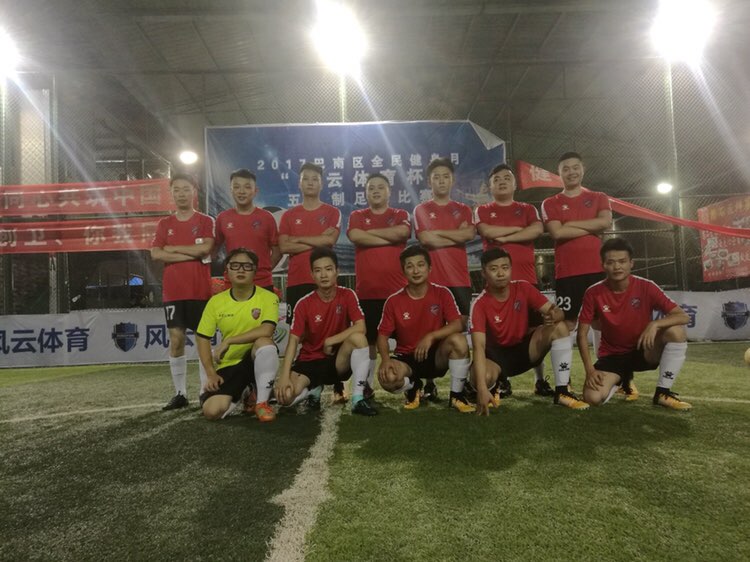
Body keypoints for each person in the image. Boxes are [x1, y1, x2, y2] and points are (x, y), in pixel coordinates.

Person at [470, 248, 590, 415]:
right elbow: (478, 347)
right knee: (481, 379)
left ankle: (562, 392)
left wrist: (554, 315)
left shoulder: (523, 288)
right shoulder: (479, 304)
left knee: (560, 327)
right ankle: (493, 385)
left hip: (524, 352)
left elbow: (557, 311)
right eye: (494, 269)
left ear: (511, 269)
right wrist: (482, 389)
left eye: (505, 267)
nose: (501, 273)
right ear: (484, 273)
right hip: (495, 357)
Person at [578, 237, 692, 410]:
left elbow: (683, 316)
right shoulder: (593, 293)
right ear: (603, 265)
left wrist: (654, 325)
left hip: (644, 350)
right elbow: (581, 334)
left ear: (631, 263)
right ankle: (622, 379)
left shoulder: (646, 286)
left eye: (622, 261)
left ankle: (663, 392)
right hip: (613, 357)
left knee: (676, 332)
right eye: (611, 262)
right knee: (592, 398)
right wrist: (589, 370)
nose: (617, 267)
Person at [474, 163, 552, 398]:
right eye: (496, 179)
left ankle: (540, 380)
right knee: (496, 335)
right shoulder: (482, 210)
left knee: (536, 331)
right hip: (496, 288)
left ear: (515, 184)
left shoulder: (527, 209)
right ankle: (501, 380)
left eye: (507, 178)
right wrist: (519, 230)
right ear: (490, 186)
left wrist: (505, 236)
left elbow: (536, 231)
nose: (502, 181)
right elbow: (488, 232)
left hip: (527, 283)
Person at [274, 247, 376, 416]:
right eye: (318, 270)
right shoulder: (303, 303)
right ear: (312, 275)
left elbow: (361, 327)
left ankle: (358, 398)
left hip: (337, 361)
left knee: (359, 339)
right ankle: (313, 388)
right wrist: (284, 376)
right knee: (286, 398)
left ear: (337, 271)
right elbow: (293, 341)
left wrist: (331, 340)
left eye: (328, 269)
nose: (323, 275)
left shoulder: (348, 295)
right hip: (310, 361)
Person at [377, 245, 473, 413]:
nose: (416, 271)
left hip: (436, 356)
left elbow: (458, 324)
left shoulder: (442, 293)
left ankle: (457, 395)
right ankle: (413, 385)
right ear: (403, 271)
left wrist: (431, 336)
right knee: (388, 379)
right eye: (410, 266)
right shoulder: (393, 301)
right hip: (407, 359)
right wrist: (385, 361)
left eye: (420, 265)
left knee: (458, 340)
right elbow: (382, 336)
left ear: (429, 268)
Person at [541, 152, 612, 376]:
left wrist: (570, 224)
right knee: (567, 323)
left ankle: (609, 373)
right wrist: (591, 226)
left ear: (583, 169)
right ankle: (564, 380)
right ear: (559, 173)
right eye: (566, 168)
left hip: (597, 271)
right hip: (568, 273)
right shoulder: (550, 202)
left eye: (575, 167)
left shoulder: (599, 197)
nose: (571, 172)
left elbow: (606, 222)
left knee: (602, 322)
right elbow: (557, 232)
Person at [278, 162, 344, 402]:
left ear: (322, 183)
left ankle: (337, 383)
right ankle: (312, 382)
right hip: (298, 281)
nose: (310, 182)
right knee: (303, 335)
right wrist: (317, 239)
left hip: (326, 282)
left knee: (332, 331)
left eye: (315, 179)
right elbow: (284, 246)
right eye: (306, 178)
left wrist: (298, 240)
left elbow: (329, 242)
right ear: (299, 183)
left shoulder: (332, 212)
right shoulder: (289, 215)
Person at [151, 173, 214, 410]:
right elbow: (156, 253)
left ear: (194, 191)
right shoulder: (164, 224)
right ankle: (180, 393)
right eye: (176, 189)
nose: (181, 194)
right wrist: (191, 252)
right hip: (173, 292)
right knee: (176, 339)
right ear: (171, 193)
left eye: (186, 189)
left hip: (199, 291)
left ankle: (204, 390)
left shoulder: (205, 221)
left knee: (202, 340)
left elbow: (205, 249)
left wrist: (172, 250)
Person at [413, 158, 475, 402]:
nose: (441, 180)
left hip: (459, 279)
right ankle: (428, 382)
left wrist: (437, 233)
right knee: (429, 329)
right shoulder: (421, 210)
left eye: (445, 176)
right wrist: (455, 235)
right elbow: (425, 239)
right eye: (436, 177)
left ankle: (461, 384)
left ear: (452, 180)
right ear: (429, 181)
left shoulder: (464, 209)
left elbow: (468, 234)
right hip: (432, 281)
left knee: (460, 328)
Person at [195, 248, 280, 421]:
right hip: (229, 364)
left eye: (247, 266)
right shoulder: (216, 302)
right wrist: (211, 373)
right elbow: (202, 338)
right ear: (227, 270)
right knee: (212, 412)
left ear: (255, 270)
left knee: (265, 343)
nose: (241, 270)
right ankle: (246, 391)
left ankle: (262, 403)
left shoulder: (268, 297)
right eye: (235, 265)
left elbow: (267, 330)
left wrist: (229, 341)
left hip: (255, 359)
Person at [346, 172, 411, 398]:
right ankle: (366, 385)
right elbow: (356, 236)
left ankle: (412, 385)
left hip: (398, 293)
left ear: (389, 191)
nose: (375, 191)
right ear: (365, 193)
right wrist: (389, 237)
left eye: (380, 187)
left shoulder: (400, 214)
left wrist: (369, 235)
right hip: (368, 293)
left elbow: (403, 232)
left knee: (407, 340)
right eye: (371, 187)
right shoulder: (357, 215)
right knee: (369, 342)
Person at [214, 168, 281, 292]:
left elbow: (278, 251)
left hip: (262, 284)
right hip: (232, 284)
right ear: (231, 190)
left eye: (247, 187)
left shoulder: (267, 217)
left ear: (255, 191)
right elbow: (214, 249)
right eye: (237, 187)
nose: (242, 191)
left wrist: (262, 271)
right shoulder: (222, 218)